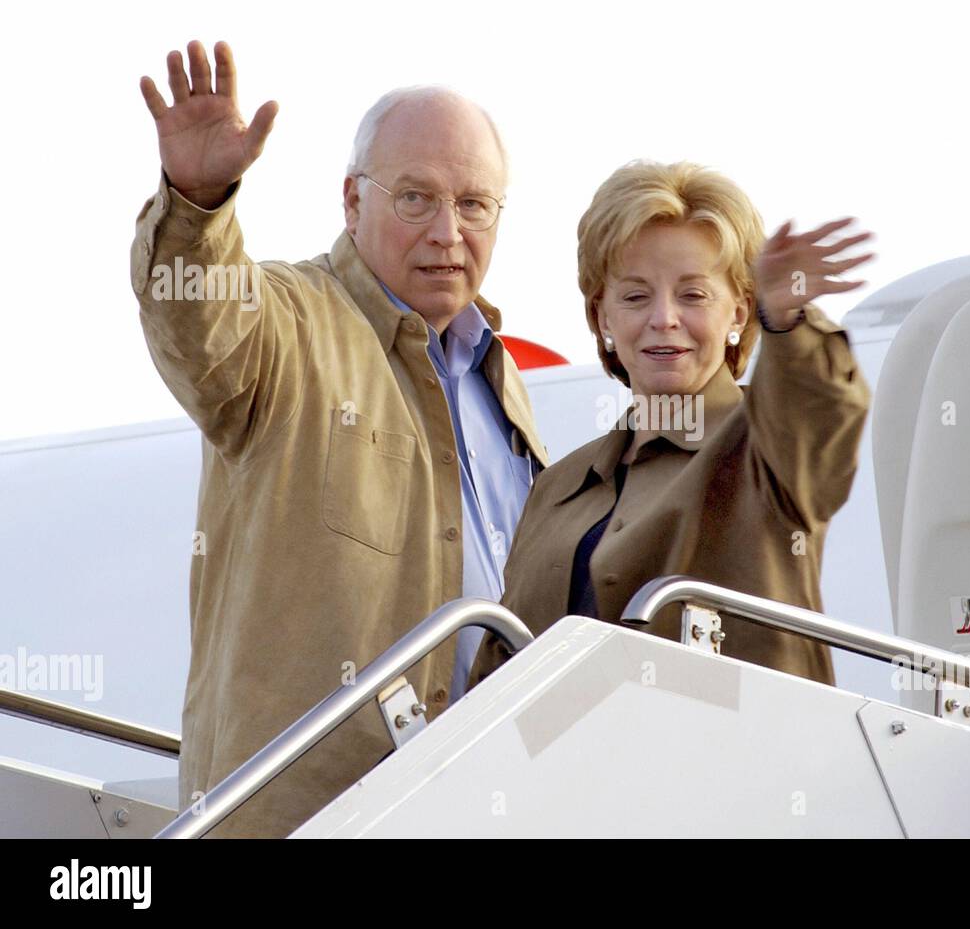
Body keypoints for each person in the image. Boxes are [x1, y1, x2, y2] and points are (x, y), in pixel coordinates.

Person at [131, 41, 546, 837]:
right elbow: (202, 327)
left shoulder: (505, 386)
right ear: (352, 202)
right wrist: (196, 203)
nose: (448, 232)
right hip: (319, 818)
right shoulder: (291, 322)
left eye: (474, 204)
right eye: (416, 197)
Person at [471, 161, 871, 687]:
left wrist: (787, 320)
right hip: (561, 767)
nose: (663, 317)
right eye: (635, 295)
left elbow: (821, 409)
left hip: (734, 762)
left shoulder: (768, 448)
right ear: (602, 318)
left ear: (738, 313)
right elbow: (501, 670)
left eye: (693, 294)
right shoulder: (556, 487)